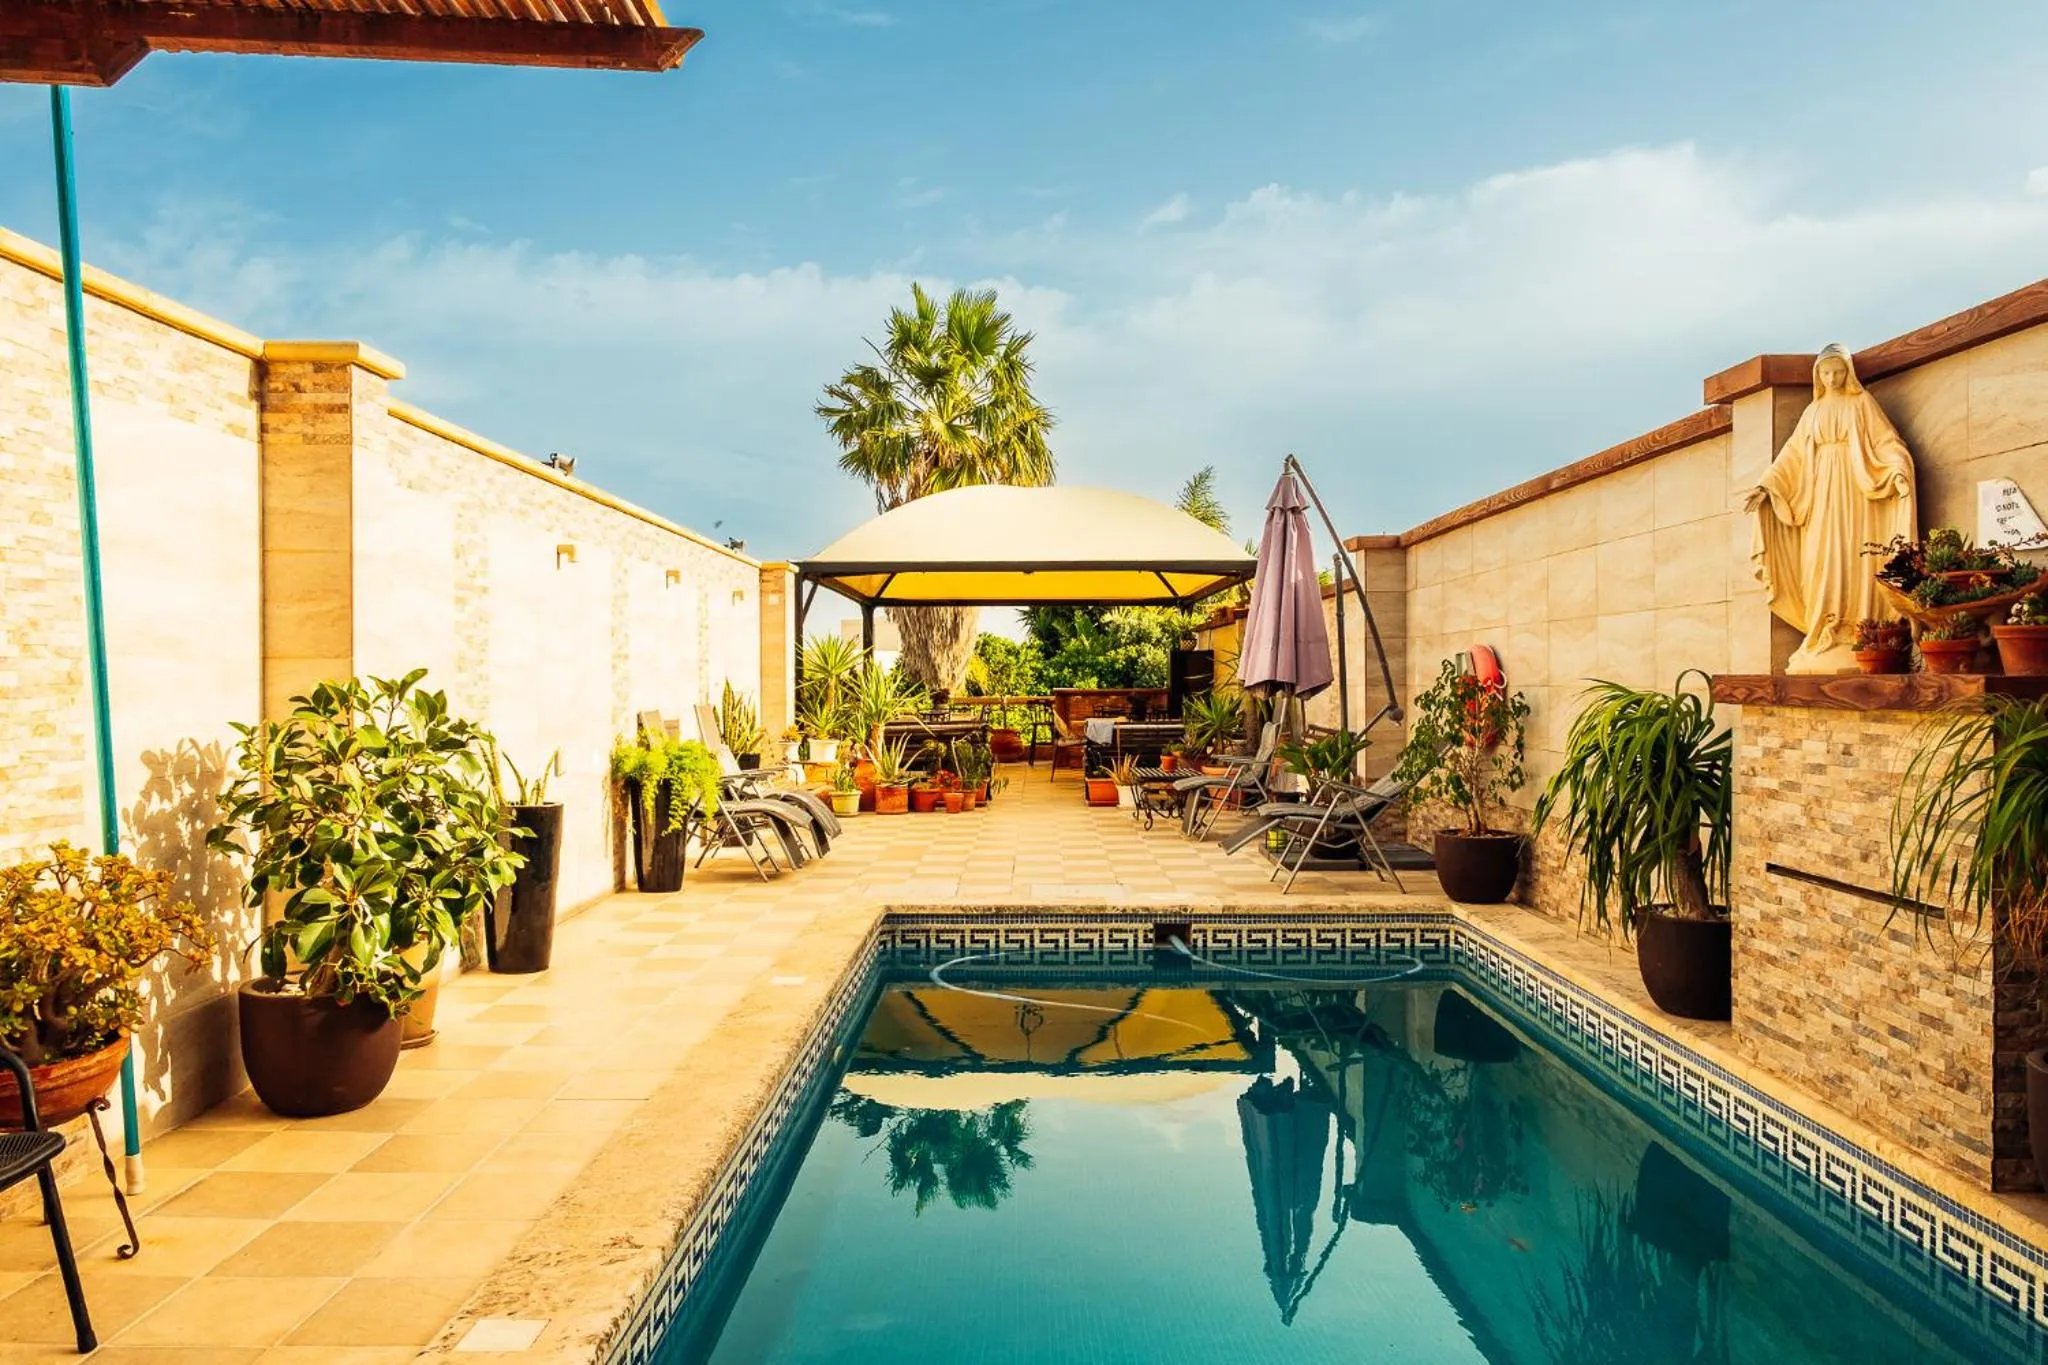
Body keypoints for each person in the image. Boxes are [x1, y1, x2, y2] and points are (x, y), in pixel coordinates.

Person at [1745, 344, 1917, 673]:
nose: (1833, 378)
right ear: (1818, 376)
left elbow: (1886, 442)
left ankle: (1854, 630)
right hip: (1820, 492)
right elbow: (1792, 455)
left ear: (1848, 372)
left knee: (1851, 556)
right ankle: (1823, 631)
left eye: (1838, 371)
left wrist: (1897, 470)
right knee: (1819, 558)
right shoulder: (1813, 412)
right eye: (1826, 372)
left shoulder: (1862, 403)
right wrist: (1766, 486)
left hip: (1855, 493)